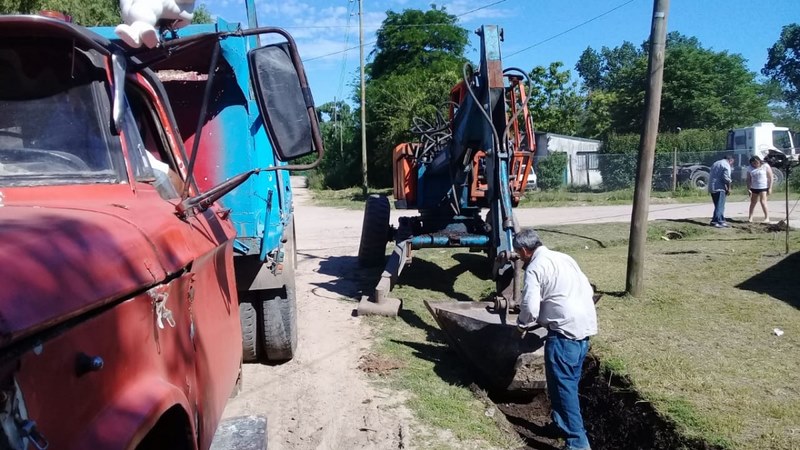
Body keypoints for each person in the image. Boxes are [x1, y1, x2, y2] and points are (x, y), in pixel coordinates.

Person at [513, 228, 598, 450]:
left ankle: (578, 444)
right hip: (583, 330)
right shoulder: (564, 257)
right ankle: (560, 425)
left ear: (524, 250)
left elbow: (530, 307)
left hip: (563, 335)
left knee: (564, 388)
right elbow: (587, 289)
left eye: (519, 253)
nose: (520, 257)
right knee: (562, 385)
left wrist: (521, 325)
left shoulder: (535, 268)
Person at [708, 154, 734, 228]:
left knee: (718, 205)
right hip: (719, 188)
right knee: (720, 205)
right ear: (730, 160)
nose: (732, 164)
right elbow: (726, 178)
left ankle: (721, 220)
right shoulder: (726, 165)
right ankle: (715, 221)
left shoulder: (716, 163)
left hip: (712, 187)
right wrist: (729, 188)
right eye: (732, 162)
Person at [746, 155, 773, 223]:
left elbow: (771, 177)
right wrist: (749, 188)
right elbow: (748, 179)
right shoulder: (749, 168)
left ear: (759, 161)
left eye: (756, 163)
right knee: (753, 202)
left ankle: (767, 217)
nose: (755, 164)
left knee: (763, 202)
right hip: (754, 187)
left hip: (763, 187)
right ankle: (750, 217)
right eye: (753, 163)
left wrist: (770, 187)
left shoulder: (765, 166)